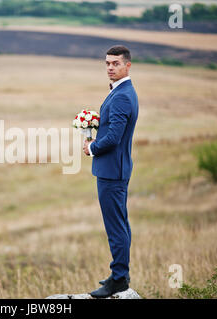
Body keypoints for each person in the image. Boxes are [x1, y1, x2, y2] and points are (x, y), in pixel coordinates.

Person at [83, 45, 139, 298]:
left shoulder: (123, 95)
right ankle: (119, 275)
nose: (110, 67)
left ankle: (118, 279)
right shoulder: (121, 92)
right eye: (107, 63)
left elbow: (114, 138)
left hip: (112, 172)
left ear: (128, 65)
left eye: (115, 63)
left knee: (116, 227)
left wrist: (92, 147)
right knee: (119, 224)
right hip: (115, 170)